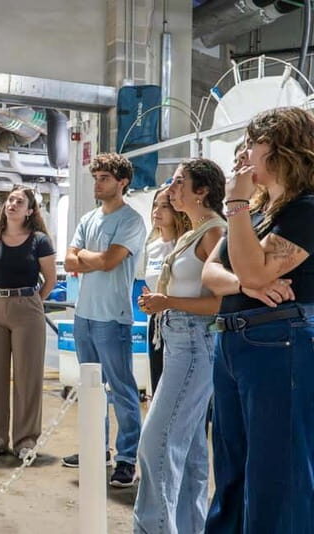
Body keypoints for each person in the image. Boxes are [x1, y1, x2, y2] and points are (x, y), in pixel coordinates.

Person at [202, 107, 314, 533]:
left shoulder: (305, 209)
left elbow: (249, 269)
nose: (245, 153)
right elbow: (213, 274)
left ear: (281, 148)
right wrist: (248, 286)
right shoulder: (262, 211)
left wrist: (235, 201)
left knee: (275, 473)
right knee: (232, 468)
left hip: (279, 341)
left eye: (254, 143)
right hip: (235, 341)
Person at [133, 158, 227, 534]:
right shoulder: (197, 232)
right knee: (186, 454)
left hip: (193, 344)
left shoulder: (214, 233)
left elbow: (221, 302)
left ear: (201, 191)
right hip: (178, 342)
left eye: (178, 182)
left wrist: (168, 303)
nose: (171, 189)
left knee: (155, 447)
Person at [61, 152, 146, 488]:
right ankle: (96, 449)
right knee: (91, 388)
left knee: (122, 390)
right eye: (96, 177)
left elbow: (111, 261)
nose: (97, 183)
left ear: (122, 182)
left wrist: (84, 257)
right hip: (84, 316)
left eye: (104, 178)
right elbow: (69, 261)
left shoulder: (131, 221)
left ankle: (126, 459)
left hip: (113, 317)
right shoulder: (88, 219)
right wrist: (85, 258)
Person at [0, 186, 57, 460]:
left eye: (19, 202)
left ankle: (25, 442)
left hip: (27, 308)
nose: (12, 204)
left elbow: (51, 280)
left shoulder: (39, 241)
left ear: (30, 210)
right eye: (10, 200)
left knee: (27, 378)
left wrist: (32, 301)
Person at [140, 186, 190, 393]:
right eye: (155, 205)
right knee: (158, 382)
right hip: (157, 323)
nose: (156, 212)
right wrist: (147, 302)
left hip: (182, 321)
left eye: (164, 206)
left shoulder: (186, 244)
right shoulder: (152, 247)